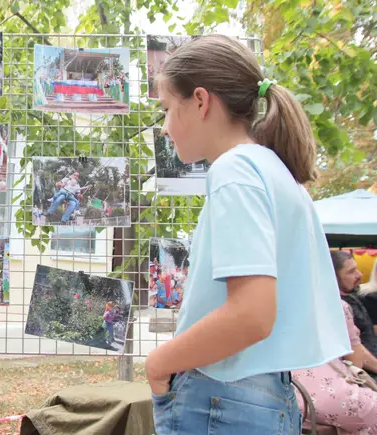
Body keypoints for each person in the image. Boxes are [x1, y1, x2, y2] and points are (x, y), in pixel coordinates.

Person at [144, 35, 349, 435]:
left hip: (222, 399)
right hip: (267, 394)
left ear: (201, 101)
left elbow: (251, 316)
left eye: (167, 109)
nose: (165, 128)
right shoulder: (272, 170)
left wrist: (159, 362)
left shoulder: (233, 171)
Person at [292, 298, 377, 434]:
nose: (359, 274)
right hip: (332, 396)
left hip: (288, 396)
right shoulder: (337, 305)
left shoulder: (275, 304)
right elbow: (356, 361)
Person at [333, 251, 377, 381]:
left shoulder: (352, 296)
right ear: (333, 276)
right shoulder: (337, 305)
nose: (359, 275)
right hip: (363, 376)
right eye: (351, 271)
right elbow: (355, 347)